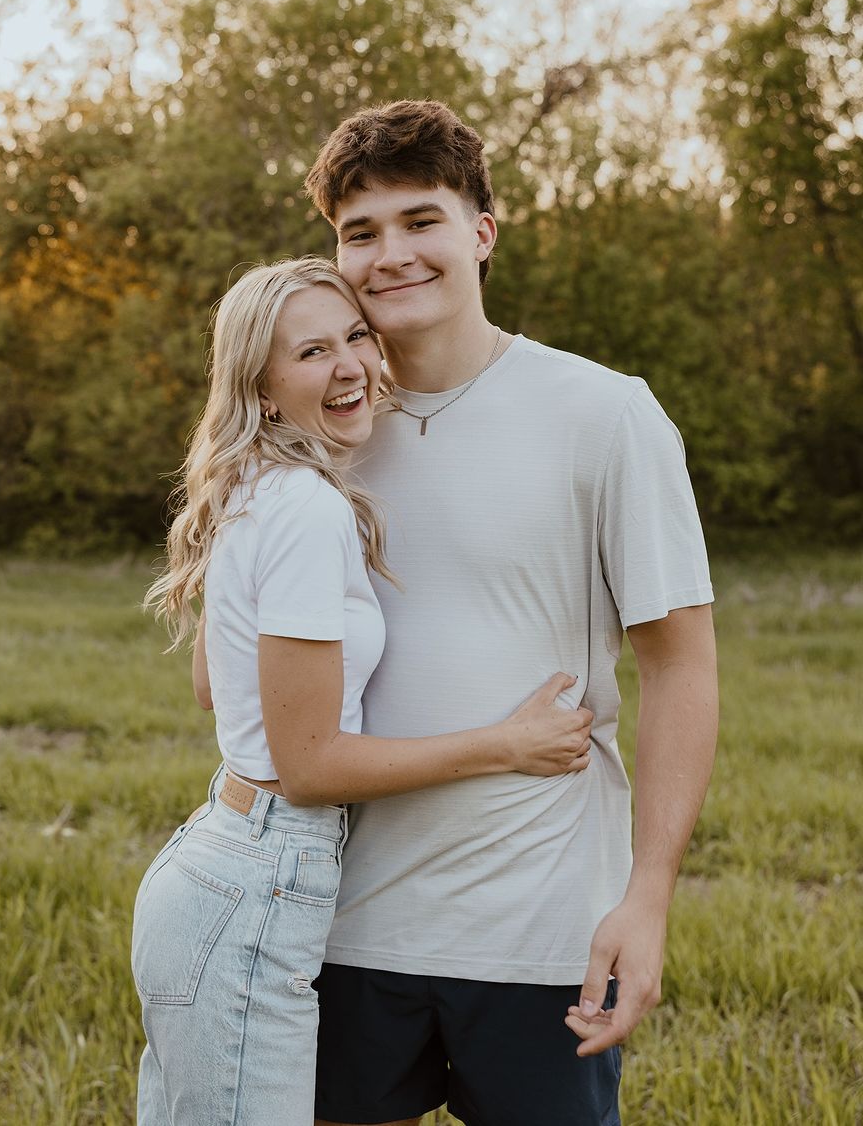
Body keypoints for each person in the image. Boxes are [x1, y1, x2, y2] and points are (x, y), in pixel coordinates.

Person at [303, 100, 719, 1126]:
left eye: (421, 221)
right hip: (339, 925)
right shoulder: (322, 430)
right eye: (361, 233)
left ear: (482, 232)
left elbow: (680, 665)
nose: (390, 255)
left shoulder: (604, 414)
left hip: (540, 933)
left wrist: (648, 897)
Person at [131, 256, 594, 1126]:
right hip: (262, 875)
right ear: (263, 390)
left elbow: (212, 685)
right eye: (312, 352)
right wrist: (506, 744)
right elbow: (309, 769)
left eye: (355, 337)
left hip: (222, 861)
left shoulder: (254, 488)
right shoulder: (306, 509)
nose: (349, 366)